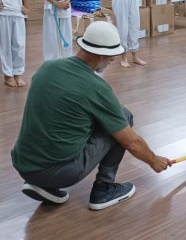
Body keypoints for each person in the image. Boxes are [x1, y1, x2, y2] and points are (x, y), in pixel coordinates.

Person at [11, 21, 171, 210]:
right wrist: (153, 160)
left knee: (101, 118)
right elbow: (131, 142)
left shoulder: (48, 67)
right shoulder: (96, 88)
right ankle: (103, 190)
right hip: (58, 172)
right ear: (101, 55)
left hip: (24, 164)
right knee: (123, 117)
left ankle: (43, 184)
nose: (112, 61)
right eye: (111, 57)